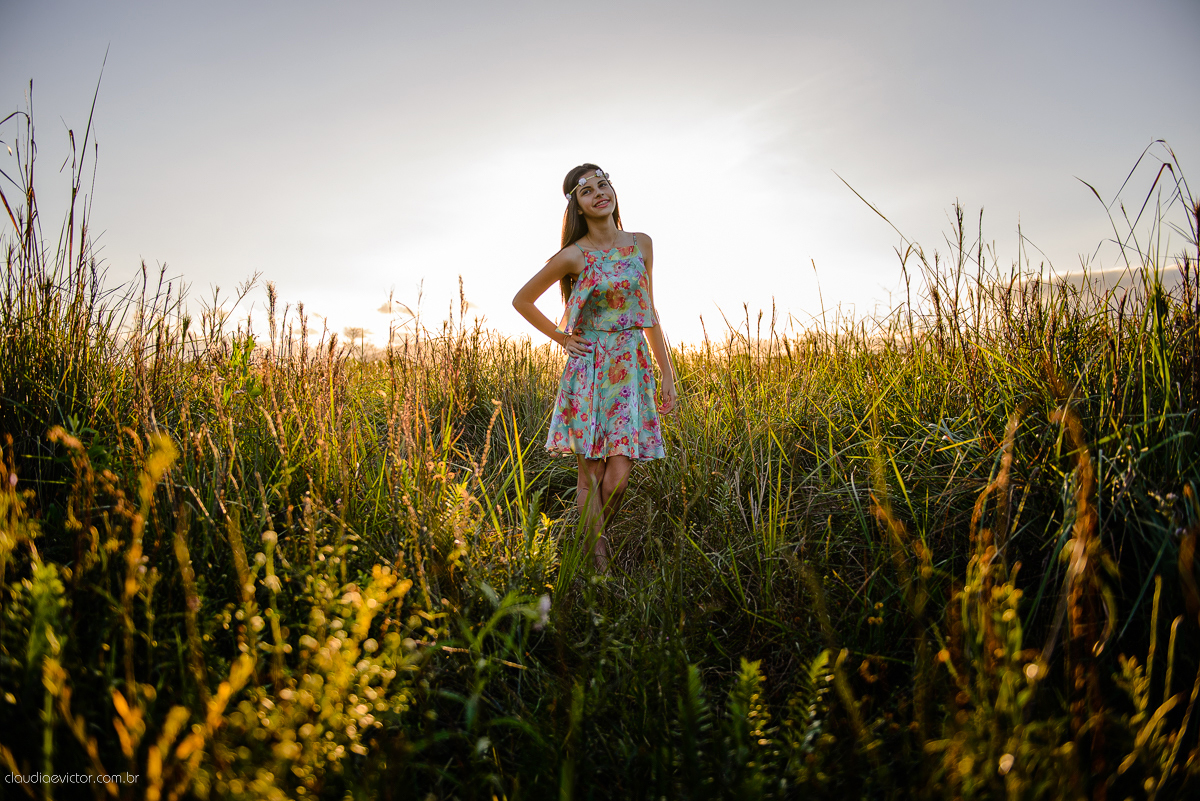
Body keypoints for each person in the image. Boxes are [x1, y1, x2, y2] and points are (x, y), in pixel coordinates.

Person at [513, 163, 678, 573]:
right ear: (579, 207)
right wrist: (562, 337)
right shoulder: (574, 255)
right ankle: (599, 568)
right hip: (590, 369)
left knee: (618, 474)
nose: (599, 193)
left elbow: (649, 312)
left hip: (632, 365)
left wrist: (668, 373)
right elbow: (522, 299)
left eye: (603, 185)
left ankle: (581, 547)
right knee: (591, 477)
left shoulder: (642, 244)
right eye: (588, 191)